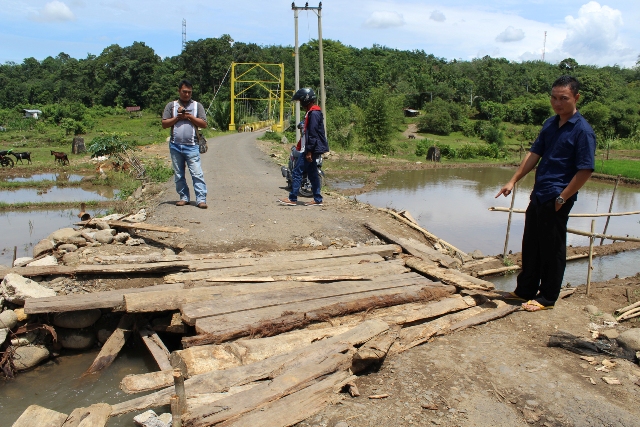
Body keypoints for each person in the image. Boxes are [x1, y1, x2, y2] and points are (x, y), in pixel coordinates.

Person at [495, 75, 596, 312]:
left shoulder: (582, 131)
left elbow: (585, 169)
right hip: (540, 193)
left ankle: (548, 297)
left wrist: (563, 197)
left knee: (552, 247)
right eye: (554, 98)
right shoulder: (551, 124)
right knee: (531, 243)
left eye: (564, 98)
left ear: (576, 98)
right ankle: (525, 291)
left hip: (558, 196)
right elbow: (534, 154)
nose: (557, 103)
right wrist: (513, 180)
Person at [162, 79, 208, 209]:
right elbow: (164, 124)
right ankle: (184, 197)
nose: (187, 94)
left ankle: (201, 199)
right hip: (175, 145)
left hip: (192, 145)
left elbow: (204, 123)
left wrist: (188, 116)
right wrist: (177, 117)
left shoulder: (197, 106)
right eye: (184, 92)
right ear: (179, 91)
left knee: (197, 173)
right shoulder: (171, 106)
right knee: (178, 174)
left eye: (189, 92)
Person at [278, 88, 329, 206]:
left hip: (309, 148)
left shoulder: (314, 113)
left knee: (297, 171)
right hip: (308, 147)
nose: (300, 104)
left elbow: (313, 134)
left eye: (301, 101)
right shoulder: (310, 112)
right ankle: (317, 199)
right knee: (312, 174)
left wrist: (309, 151)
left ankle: (293, 198)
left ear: (306, 100)